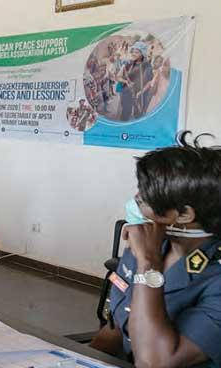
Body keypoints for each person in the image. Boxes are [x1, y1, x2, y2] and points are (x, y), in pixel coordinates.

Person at [90, 132, 221, 367]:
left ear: (183, 215)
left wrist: (149, 265)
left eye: (146, 197)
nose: (136, 199)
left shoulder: (213, 276)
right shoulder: (150, 242)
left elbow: (155, 363)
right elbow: (118, 327)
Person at [116, 41, 153, 121]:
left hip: (141, 95)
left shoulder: (147, 66)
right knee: (125, 112)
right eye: (132, 51)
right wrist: (126, 82)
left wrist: (140, 93)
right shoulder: (128, 64)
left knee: (138, 114)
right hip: (127, 92)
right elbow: (118, 77)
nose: (133, 53)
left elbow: (149, 82)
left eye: (136, 52)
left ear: (142, 53)